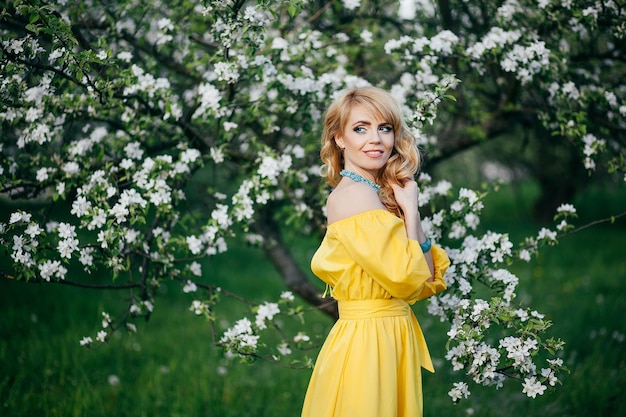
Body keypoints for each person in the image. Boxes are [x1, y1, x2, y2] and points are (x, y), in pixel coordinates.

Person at [301, 86, 451, 417]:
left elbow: (426, 279)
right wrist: (411, 213)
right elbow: (406, 279)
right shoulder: (353, 197)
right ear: (340, 138)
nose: (376, 139)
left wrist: (410, 212)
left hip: (389, 336)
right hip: (369, 343)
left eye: (384, 128)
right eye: (360, 128)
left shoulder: (377, 194)